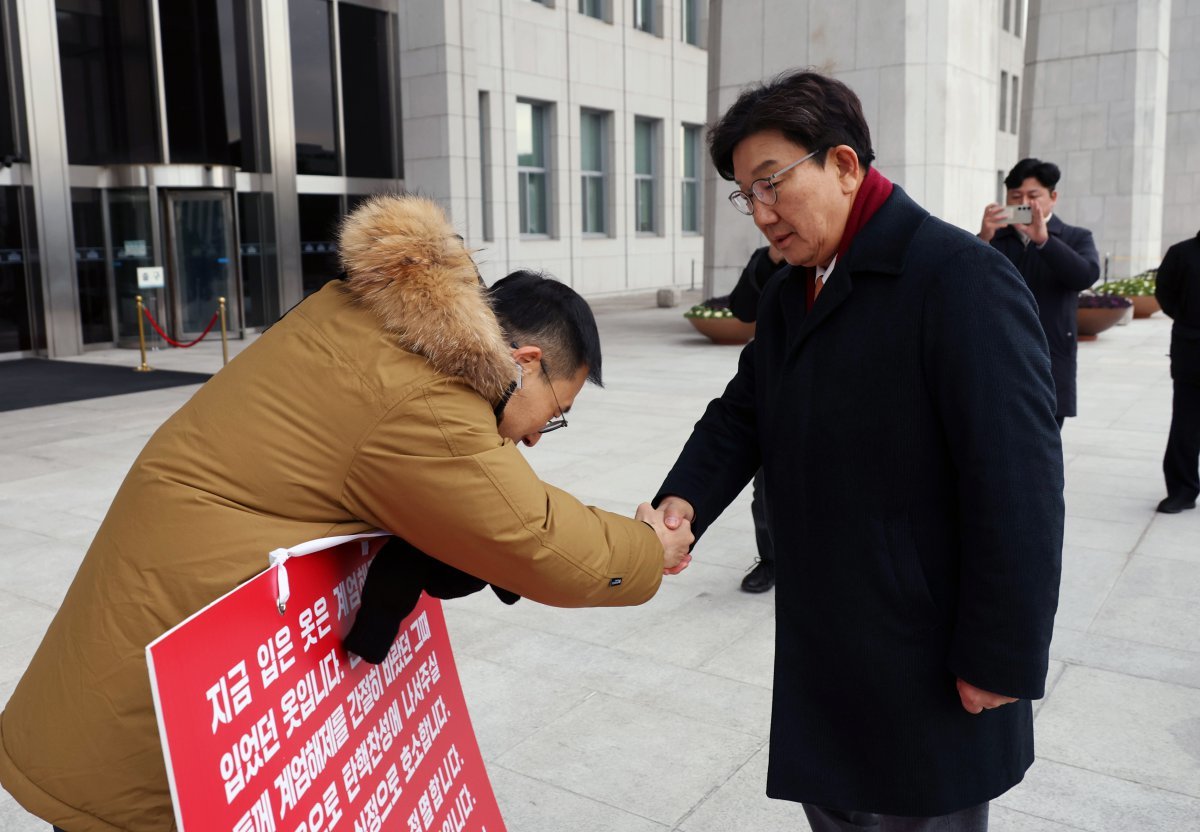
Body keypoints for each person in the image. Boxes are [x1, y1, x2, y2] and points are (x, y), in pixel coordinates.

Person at [0, 194, 693, 831]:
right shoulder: (422, 397)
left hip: (155, 629)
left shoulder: (365, 321)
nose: (539, 435)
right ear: (527, 360)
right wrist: (645, 547)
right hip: (165, 698)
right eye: (557, 413)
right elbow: (538, 541)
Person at [652, 70, 1064, 831]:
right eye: (748, 195)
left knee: (917, 810)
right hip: (829, 635)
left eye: (772, 183)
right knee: (838, 804)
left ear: (844, 165)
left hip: (925, 647)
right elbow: (743, 412)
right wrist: (686, 499)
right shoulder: (792, 289)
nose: (763, 214)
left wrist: (1001, 653)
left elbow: (1020, 481)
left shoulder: (959, 278)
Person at [978, 158, 1100, 429]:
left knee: (1045, 445)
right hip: (998, 355)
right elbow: (967, 281)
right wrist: (983, 238)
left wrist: (1044, 240)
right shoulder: (996, 236)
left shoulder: (1075, 237)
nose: (1024, 203)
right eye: (1015, 196)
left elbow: (1085, 276)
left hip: (1051, 357)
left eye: (1033, 196)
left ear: (1052, 197)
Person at [728, 244, 787, 592]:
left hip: (829, 394)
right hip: (774, 390)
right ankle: (770, 561)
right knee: (765, 491)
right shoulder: (768, 257)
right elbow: (741, 308)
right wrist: (770, 261)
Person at [1154, 230, 1200, 513]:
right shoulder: (1182, 252)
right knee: (1186, 424)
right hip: (1192, 350)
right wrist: (1189, 318)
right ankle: (1182, 489)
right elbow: (1165, 293)